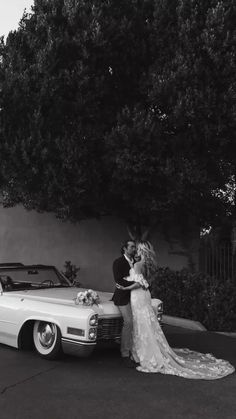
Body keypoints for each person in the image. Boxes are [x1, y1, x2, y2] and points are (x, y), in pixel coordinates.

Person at [116, 241, 235, 379]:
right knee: (146, 322)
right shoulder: (148, 265)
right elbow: (145, 282)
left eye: (137, 249)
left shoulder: (137, 265)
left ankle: (144, 353)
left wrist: (125, 287)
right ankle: (145, 350)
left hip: (137, 296)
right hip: (145, 295)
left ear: (141, 251)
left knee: (141, 323)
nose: (135, 251)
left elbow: (138, 283)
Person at [112, 239, 137, 368]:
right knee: (129, 321)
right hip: (122, 297)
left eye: (134, 247)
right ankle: (125, 354)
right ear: (125, 248)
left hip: (136, 297)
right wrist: (136, 284)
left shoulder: (137, 262)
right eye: (132, 247)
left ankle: (136, 351)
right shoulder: (118, 262)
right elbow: (119, 281)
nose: (134, 249)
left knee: (138, 321)